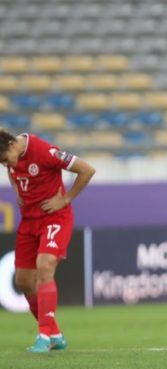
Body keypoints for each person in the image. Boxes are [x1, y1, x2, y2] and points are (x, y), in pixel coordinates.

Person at [0, 129, 95, 353]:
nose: (5, 165)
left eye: (4, 159)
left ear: (12, 146)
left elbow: (87, 170)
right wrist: (17, 191)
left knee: (45, 267)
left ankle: (44, 334)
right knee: (23, 280)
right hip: (29, 221)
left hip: (55, 217)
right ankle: (55, 334)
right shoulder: (12, 161)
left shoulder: (44, 151)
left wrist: (66, 199)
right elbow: (13, 171)